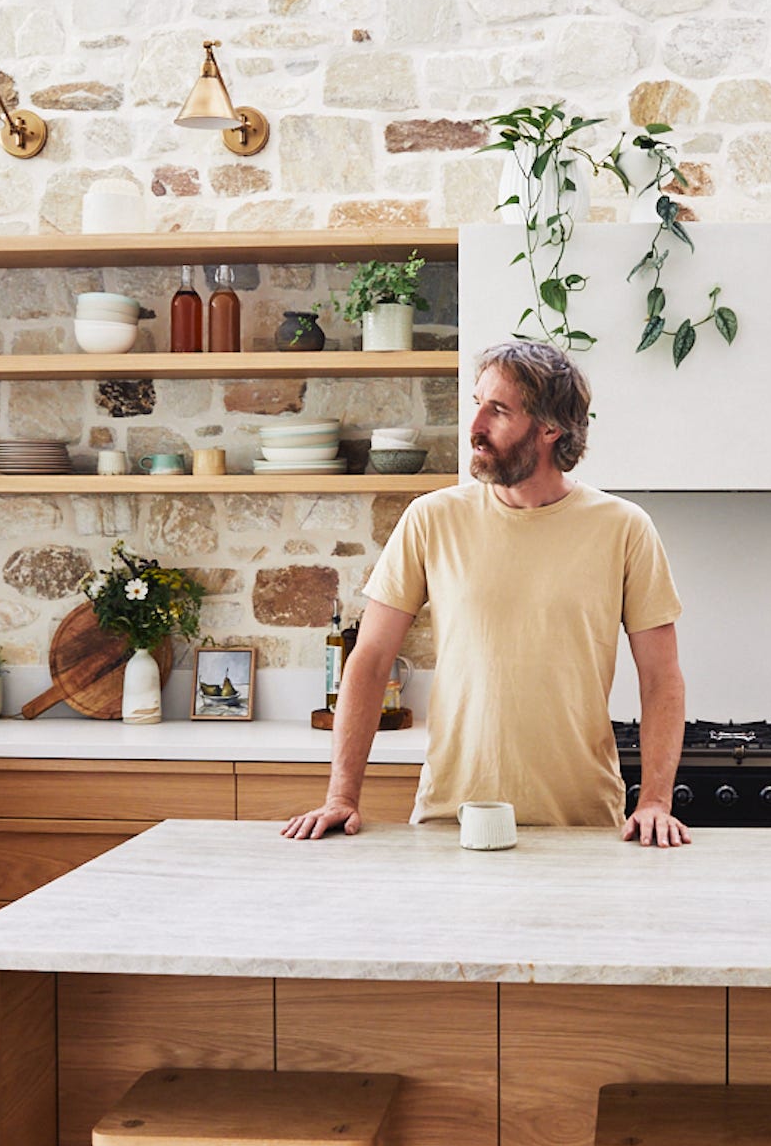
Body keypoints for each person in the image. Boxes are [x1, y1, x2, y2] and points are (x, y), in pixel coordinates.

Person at [284, 342, 691, 846]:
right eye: (478, 403)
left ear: (549, 428)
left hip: (582, 825)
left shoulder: (624, 529)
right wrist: (341, 797)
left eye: (498, 410)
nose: (475, 426)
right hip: (451, 822)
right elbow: (368, 661)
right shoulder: (431, 519)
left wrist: (655, 800)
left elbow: (662, 681)